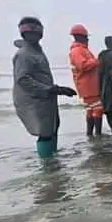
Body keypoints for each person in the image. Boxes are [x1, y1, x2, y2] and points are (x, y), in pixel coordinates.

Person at [12, 17, 77, 158]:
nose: (34, 36)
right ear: (24, 34)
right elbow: (23, 80)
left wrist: (56, 90)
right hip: (35, 100)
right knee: (45, 132)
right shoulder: (23, 55)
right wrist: (52, 89)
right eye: (30, 33)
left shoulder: (37, 51)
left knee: (53, 127)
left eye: (36, 33)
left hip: (47, 99)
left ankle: (53, 159)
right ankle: (47, 166)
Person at [68, 24, 103, 137]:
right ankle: (97, 134)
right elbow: (82, 66)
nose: (87, 39)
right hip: (88, 85)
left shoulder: (82, 50)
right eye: (86, 36)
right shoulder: (77, 51)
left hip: (89, 85)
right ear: (80, 36)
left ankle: (91, 135)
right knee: (98, 109)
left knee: (91, 109)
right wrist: (97, 61)